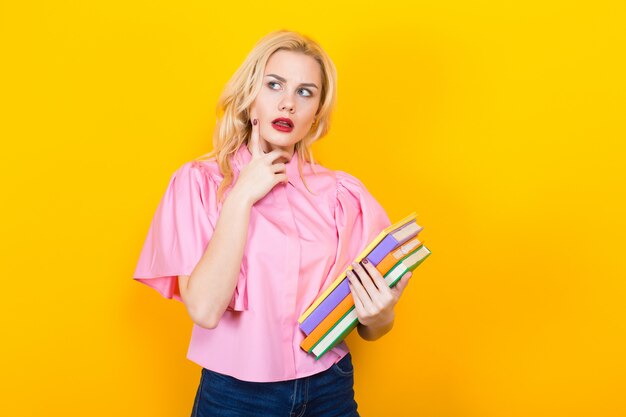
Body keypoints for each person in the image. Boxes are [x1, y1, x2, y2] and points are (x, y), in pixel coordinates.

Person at [132, 29, 414, 417]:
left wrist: (380, 316)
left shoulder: (342, 194)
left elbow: (370, 328)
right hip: (236, 398)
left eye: (305, 92)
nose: (288, 103)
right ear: (251, 99)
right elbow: (204, 309)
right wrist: (242, 196)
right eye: (274, 85)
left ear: (316, 112)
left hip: (329, 389)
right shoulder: (198, 183)